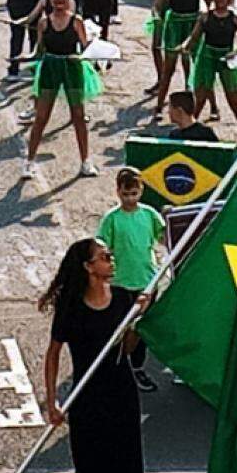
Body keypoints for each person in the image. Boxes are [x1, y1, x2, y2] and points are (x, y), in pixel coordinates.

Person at [41, 238, 148, 473]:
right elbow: (54, 353)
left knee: (126, 462)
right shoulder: (71, 307)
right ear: (89, 267)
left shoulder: (123, 301)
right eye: (104, 257)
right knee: (88, 467)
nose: (111, 261)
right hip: (87, 395)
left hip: (122, 389)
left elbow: (127, 348)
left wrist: (139, 320)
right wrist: (51, 402)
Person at [96, 168, 166, 393]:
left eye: (134, 193)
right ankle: (114, 367)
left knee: (141, 328)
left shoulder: (149, 215)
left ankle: (136, 368)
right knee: (119, 329)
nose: (130, 199)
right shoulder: (112, 219)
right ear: (118, 192)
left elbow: (165, 236)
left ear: (141, 190)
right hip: (119, 284)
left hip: (146, 282)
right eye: (126, 194)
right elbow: (101, 248)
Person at [24, 0, 101, 179]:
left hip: (72, 67)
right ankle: (29, 162)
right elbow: (39, 51)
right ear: (50, 0)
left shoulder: (76, 21)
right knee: (41, 117)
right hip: (50, 68)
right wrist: (24, 59)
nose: (59, 0)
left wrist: (101, 53)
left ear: (69, 0)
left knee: (78, 116)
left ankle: (85, 161)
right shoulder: (43, 23)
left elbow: (85, 48)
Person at [180, 0, 237, 140]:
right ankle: (186, 136)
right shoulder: (205, 17)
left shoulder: (235, 19)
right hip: (207, 57)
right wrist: (185, 46)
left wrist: (234, 53)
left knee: (235, 101)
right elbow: (194, 37)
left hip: (227, 58)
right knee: (199, 99)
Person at [153, 0, 211, 115]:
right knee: (168, 69)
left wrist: (207, 17)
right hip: (175, 26)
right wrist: (157, 17)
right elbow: (157, 5)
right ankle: (158, 107)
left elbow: (209, 2)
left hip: (193, 26)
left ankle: (212, 106)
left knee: (200, 66)